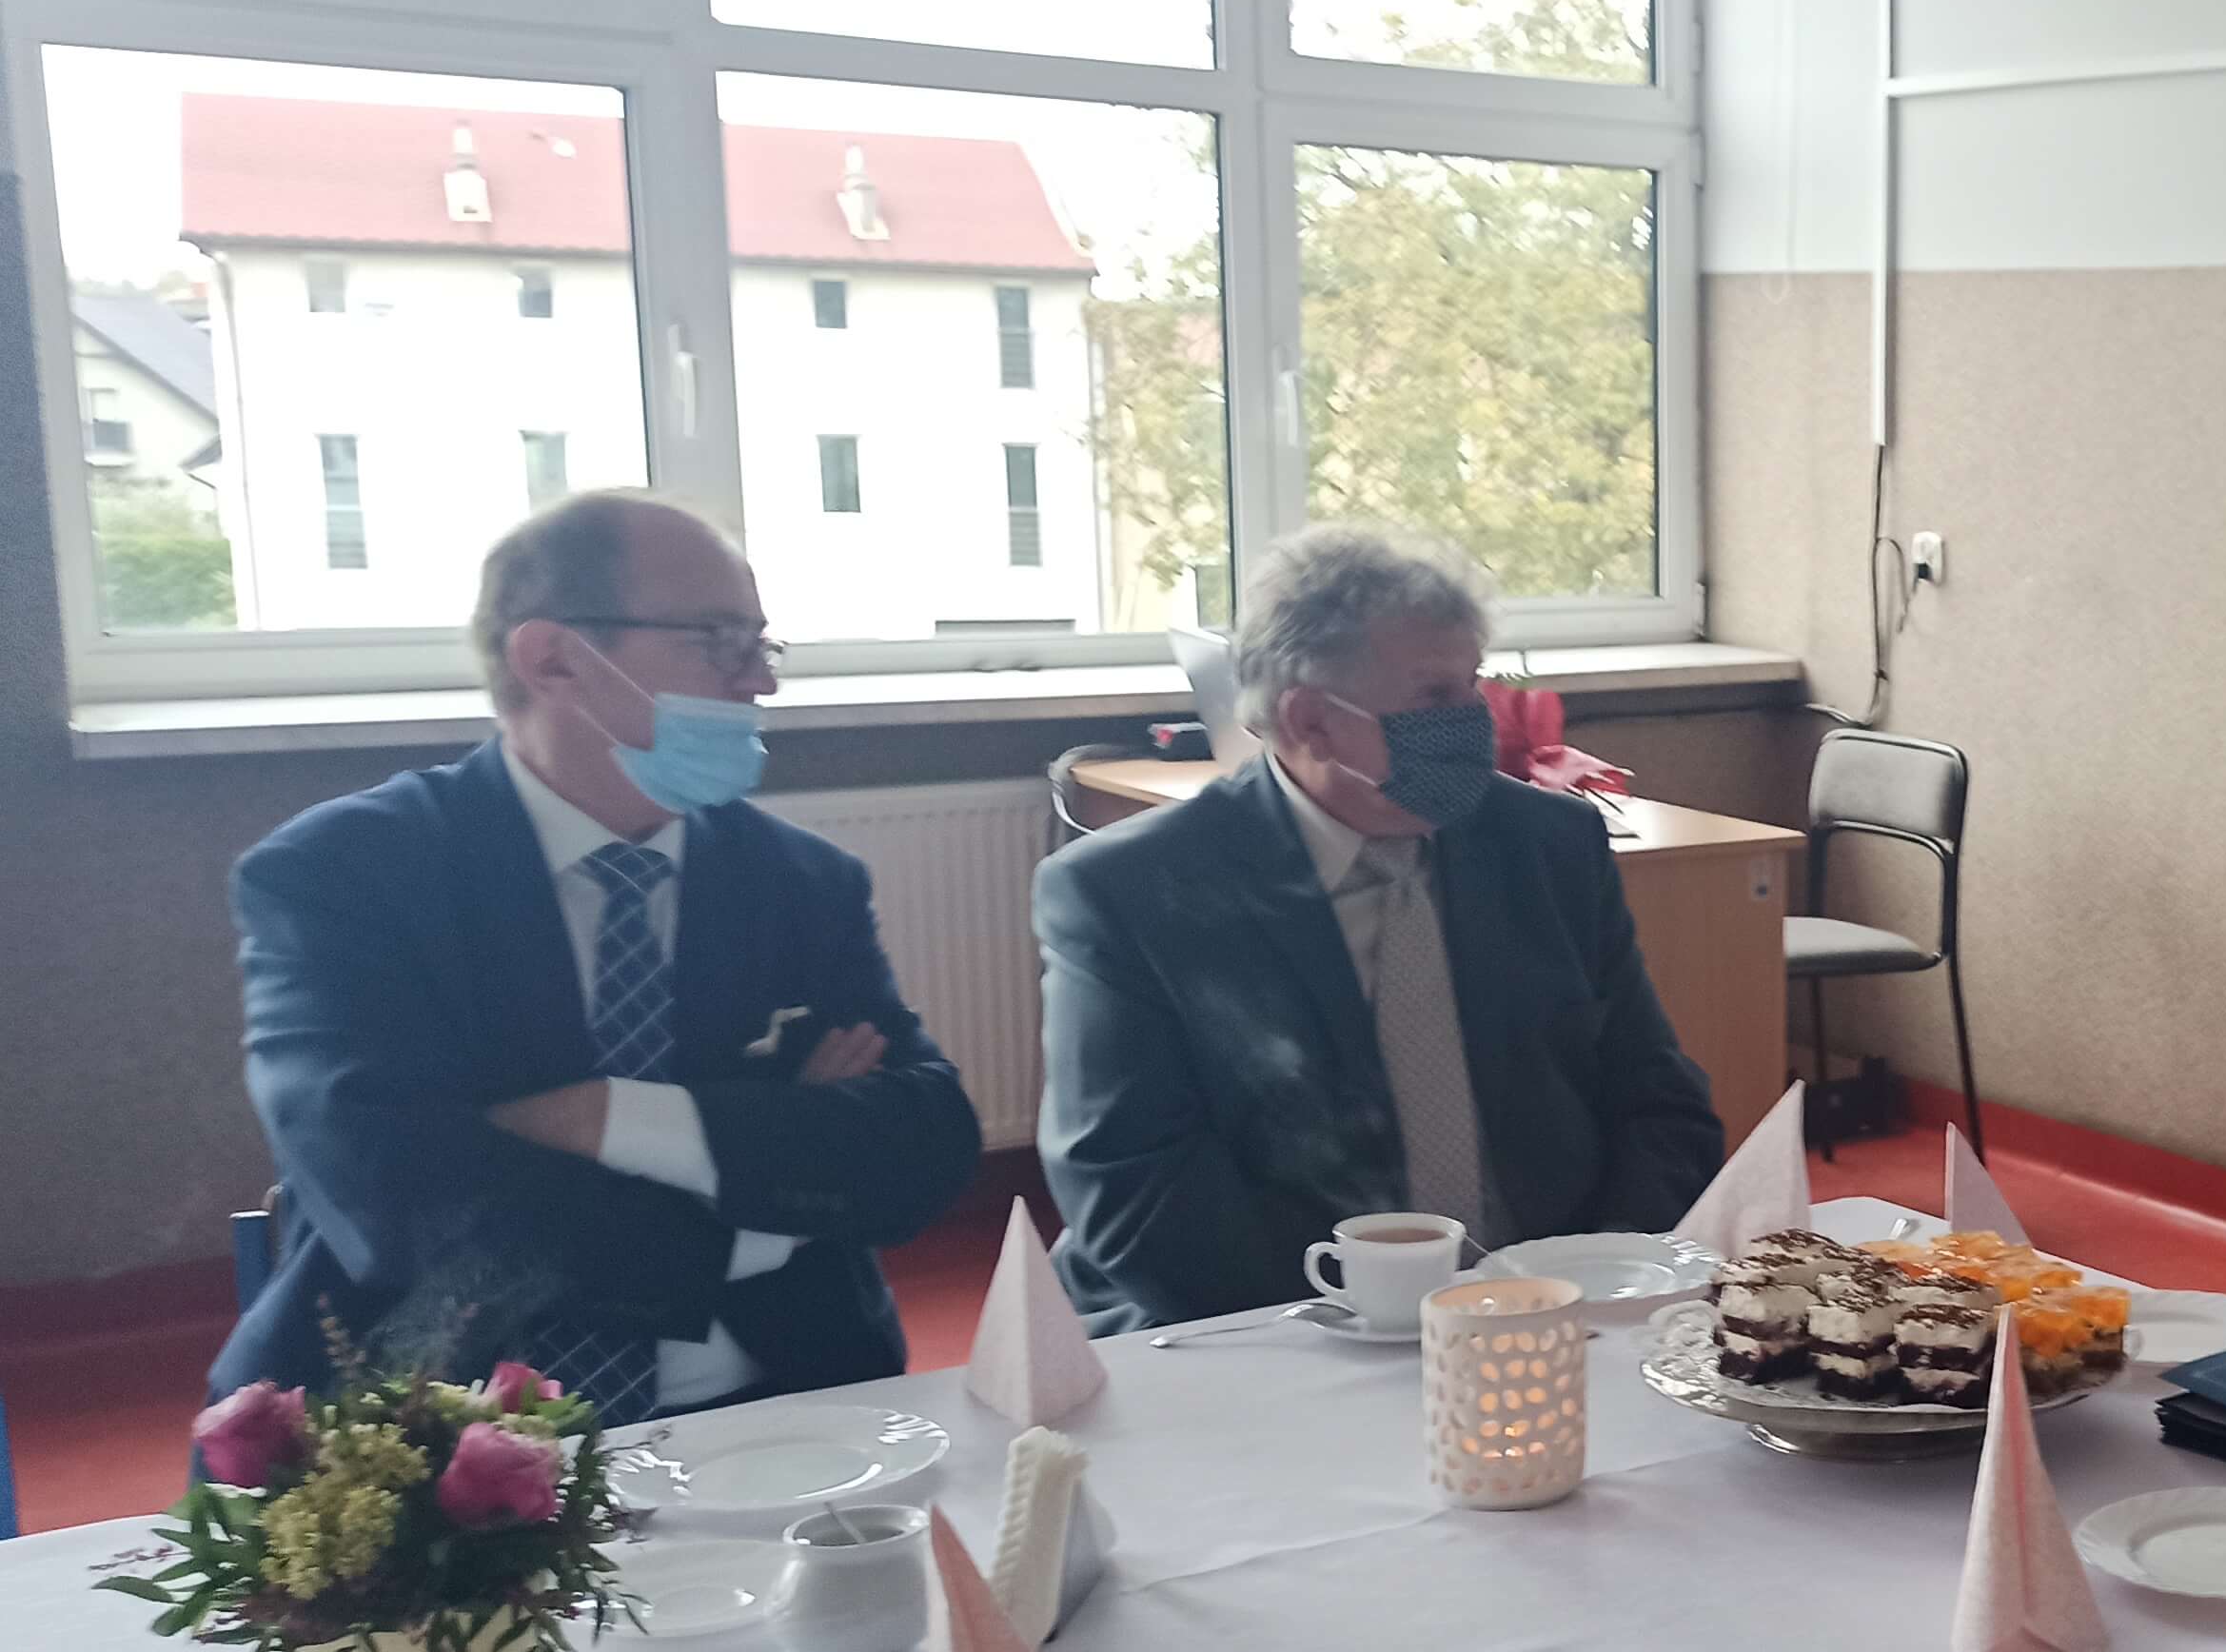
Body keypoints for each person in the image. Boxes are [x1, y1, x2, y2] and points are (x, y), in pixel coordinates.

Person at [217, 491, 980, 1416]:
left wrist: (610, 1118)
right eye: (718, 641)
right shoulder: (346, 877)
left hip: (782, 1395)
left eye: (763, 646)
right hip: (440, 1414)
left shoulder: (800, 882)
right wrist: (763, 1197)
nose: (761, 683)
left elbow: (922, 1146)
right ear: (553, 659)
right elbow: (398, 1198)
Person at [1036, 524, 1726, 1332]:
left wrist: (1592, 1279)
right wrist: (1377, 1317)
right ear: (1310, 721)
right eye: (1435, 697)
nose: (1473, 720)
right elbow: (1132, 1187)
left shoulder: (1549, 848)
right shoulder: (1134, 894)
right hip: (1275, 1324)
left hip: (1548, 1312)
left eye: (1473, 685)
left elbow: (1660, 1104)